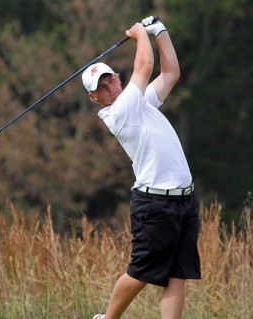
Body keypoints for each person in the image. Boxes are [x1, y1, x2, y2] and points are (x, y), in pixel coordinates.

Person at [82, 16, 201, 319]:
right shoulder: (119, 112)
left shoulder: (141, 102)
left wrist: (159, 31)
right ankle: (108, 318)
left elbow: (171, 73)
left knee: (177, 272)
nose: (109, 86)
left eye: (109, 78)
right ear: (94, 97)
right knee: (141, 271)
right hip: (156, 202)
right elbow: (145, 67)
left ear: (117, 78)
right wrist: (140, 34)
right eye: (101, 86)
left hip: (185, 200)